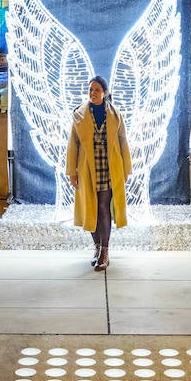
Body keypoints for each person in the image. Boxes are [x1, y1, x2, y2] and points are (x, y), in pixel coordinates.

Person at [66, 75, 131, 272]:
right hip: (87, 169)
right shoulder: (79, 114)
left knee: (104, 208)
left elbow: (123, 142)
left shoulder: (115, 114)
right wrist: (72, 172)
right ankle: (96, 247)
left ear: (105, 92)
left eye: (97, 90)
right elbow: (73, 145)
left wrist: (126, 169)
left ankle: (104, 251)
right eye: (91, 90)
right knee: (91, 209)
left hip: (110, 168)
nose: (93, 93)